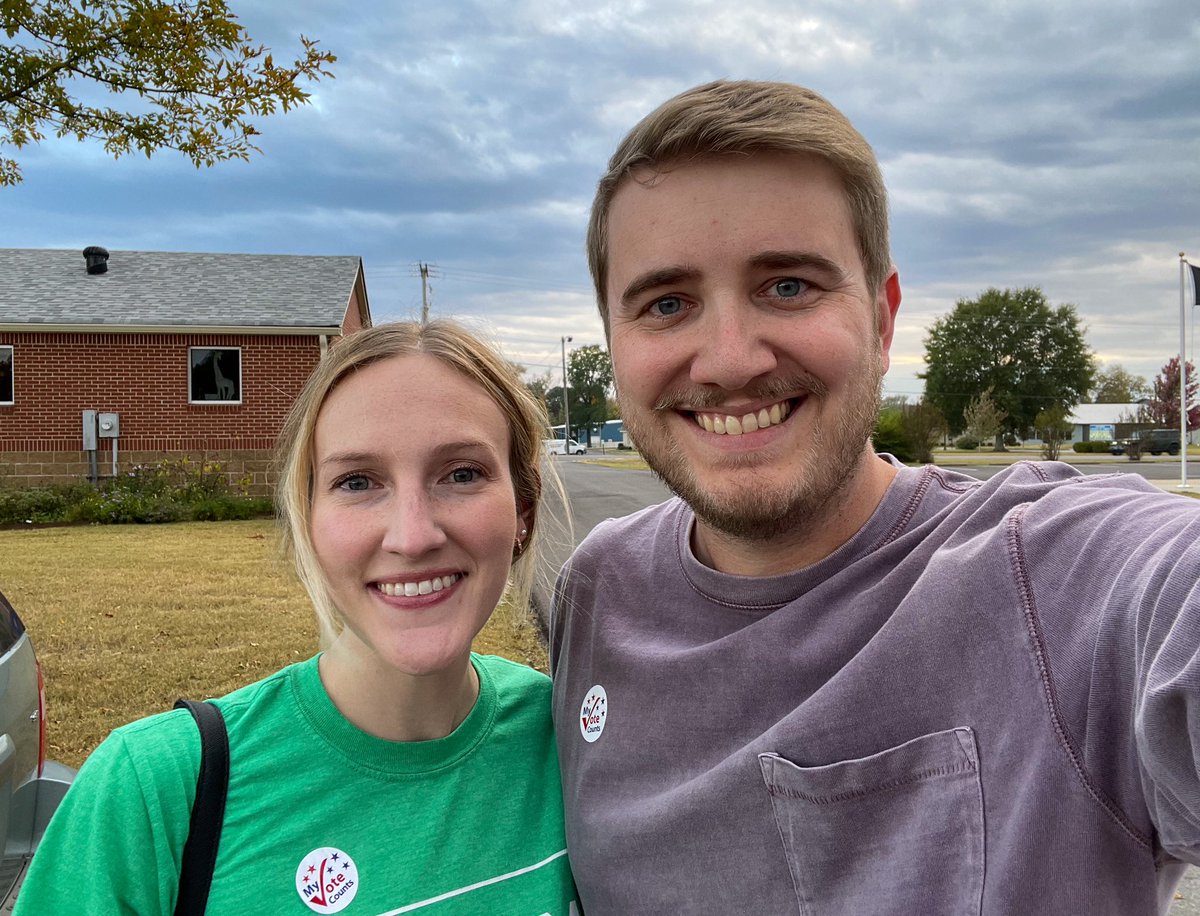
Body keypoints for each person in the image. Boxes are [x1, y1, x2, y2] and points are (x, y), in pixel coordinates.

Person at [549, 79, 1200, 915]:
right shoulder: (599, 590)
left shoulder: (1053, 576)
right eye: (667, 304)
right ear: (613, 341)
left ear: (885, 321)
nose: (729, 359)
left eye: (787, 286)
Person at [18, 320, 578, 914]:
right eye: (357, 481)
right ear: (307, 520)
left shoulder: (570, 739)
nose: (412, 536)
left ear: (524, 508)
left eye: (462, 474)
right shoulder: (149, 793)